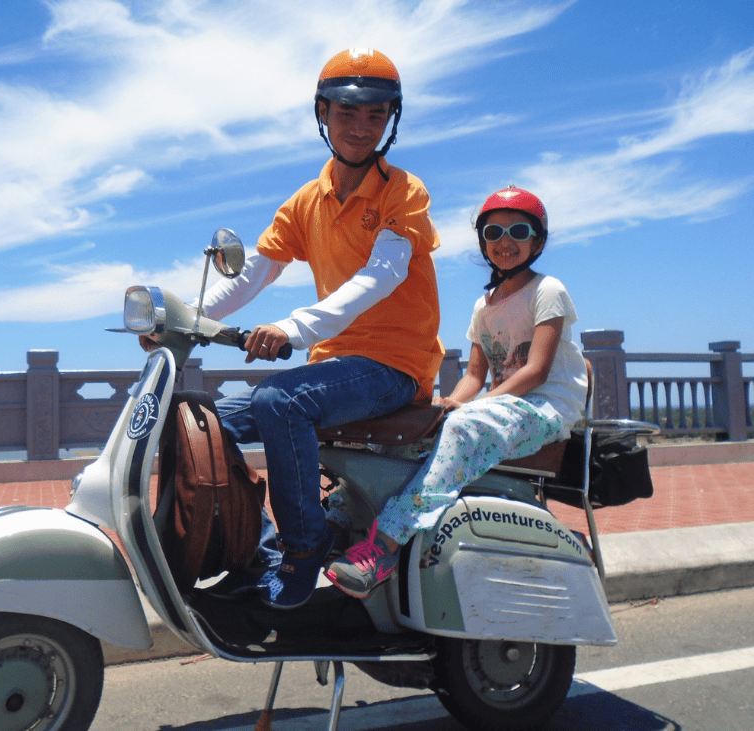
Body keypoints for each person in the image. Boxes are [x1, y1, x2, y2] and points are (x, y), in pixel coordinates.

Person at [196, 48, 445, 609]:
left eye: (376, 115)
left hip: (395, 367)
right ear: (323, 115)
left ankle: (305, 550)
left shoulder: (403, 192)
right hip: (334, 365)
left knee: (281, 403)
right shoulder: (306, 201)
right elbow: (253, 273)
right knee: (199, 423)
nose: (361, 127)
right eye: (347, 113)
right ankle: (254, 548)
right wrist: (190, 320)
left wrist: (293, 328)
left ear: (391, 121)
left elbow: (381, 275)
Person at [325, 186, 588, 599]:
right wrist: (450, 403)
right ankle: (340, 516)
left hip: (545, 409)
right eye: (494, 232)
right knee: (411, 426)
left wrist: (474, 408)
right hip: (505, 406)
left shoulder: (547, 290)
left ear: (537, 241)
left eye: (519, 231)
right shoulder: (483, 305)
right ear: (483, 241)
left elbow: (536, 372)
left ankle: (385, 546)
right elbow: (475, 374)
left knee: (462, 428)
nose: (506, 242)